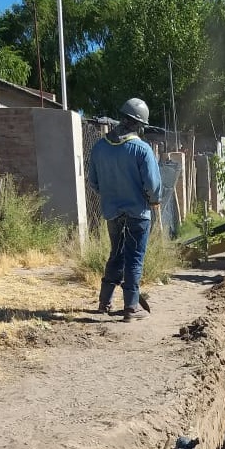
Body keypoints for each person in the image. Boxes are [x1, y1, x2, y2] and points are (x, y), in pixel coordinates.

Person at [87, 97, 162, 322]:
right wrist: (153, 200)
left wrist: (112, 196)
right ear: (139, 124)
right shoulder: (142, 149)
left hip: (112, 213)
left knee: (116, 255)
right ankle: (131, 308)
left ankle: (104, 302)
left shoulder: (99, 147)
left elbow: (94, 182)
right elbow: (153, 185)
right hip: (138, 214)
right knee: (134, 258)